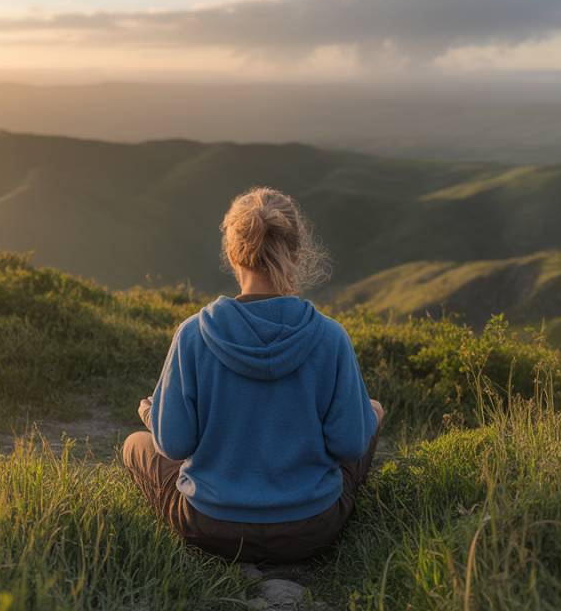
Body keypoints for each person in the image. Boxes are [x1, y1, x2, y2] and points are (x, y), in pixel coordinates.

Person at [122, 186, 385, 563]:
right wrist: (371, 415)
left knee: (136, 444)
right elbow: (348, 446)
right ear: (295, 253)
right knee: (370, 414)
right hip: (311, 530)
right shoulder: (330, 337)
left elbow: (174, 445)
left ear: (232, 254)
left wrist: (150, 413)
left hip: (210, 527)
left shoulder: (194, 334)